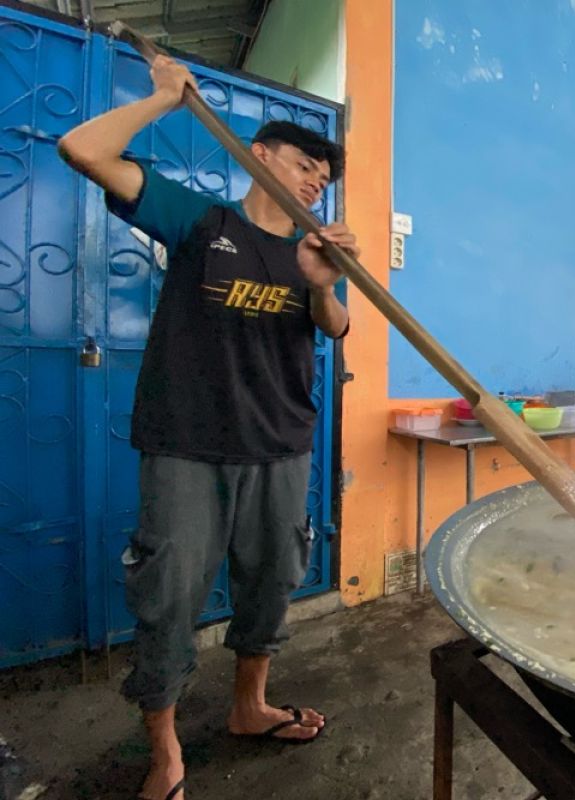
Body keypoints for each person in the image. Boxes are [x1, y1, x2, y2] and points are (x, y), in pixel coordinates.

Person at [58, 54, 356, 800]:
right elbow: (84, 151)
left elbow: (337, 324)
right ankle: (163, 752)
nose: (318, 179)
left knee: (272, 585)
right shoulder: (200, 221)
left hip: (280, 445)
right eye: (305, 163)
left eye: (325, 174)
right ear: (259, 154)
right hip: (187, 445)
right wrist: (163, 99)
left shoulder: (314, 252)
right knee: (168, 595)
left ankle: (248, 707)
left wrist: (321, 285)